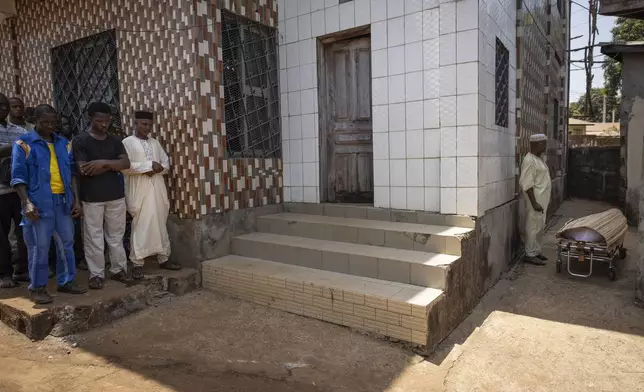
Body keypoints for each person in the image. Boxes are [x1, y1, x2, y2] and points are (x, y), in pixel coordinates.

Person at [11, 104, 87, 304]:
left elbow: (71, 174)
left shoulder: (64, 144)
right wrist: (26, 203)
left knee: (67, 243)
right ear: (35, 121)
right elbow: (18, 178)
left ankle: (67, 281)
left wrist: (76, 200)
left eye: (53, 122)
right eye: (45, 122)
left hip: (63, 201)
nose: (50, 126)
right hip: (38, 202)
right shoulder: (23, 144)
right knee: (39, 247)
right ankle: (37, 287)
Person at [72, 102, 130, 289]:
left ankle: (118, 270)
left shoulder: (115, 140)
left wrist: (102, 163)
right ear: (90, 118)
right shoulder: (81, 140)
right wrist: (113, 165)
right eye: (99, 121)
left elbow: (126, 164)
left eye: (107, 120)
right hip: (91, 198)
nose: (104, 124)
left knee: (116, 236)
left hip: (116, 196)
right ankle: (96, 274)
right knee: (93, 238)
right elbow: (84, 170)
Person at [122, 111, 180, 279]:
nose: (146, 127)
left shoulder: (155, 143)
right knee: (141, 224)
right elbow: (124, 166)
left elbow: (166, 163)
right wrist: (146, 166)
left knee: (160, 223)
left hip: (157, 189)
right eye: (143, 124)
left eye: (149, 124)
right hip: (139, 190)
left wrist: (159, 168)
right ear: (136, 123)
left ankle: (164, 257)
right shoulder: (127, 142)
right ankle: (137, 262)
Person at [0, 93, 28, 288]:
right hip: (0, 192)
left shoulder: (18, 130)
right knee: (1, 236)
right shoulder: (20, 136)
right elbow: (22, 148)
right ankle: (4, 274)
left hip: (19, 191)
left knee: (24, 231)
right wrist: (15, 148)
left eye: (4, 105)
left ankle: (23, 270)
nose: (3, 108)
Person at [519, 134, 551, 266]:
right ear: (536, 145)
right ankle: (529, 254)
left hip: (542, 200)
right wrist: (534, 203)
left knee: (539, 227)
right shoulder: (529, 160)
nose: (545, 146)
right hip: (535, 201)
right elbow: (526, 184)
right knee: (532, 227)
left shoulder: (539, 159)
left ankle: (536, 251)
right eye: (544, 144)